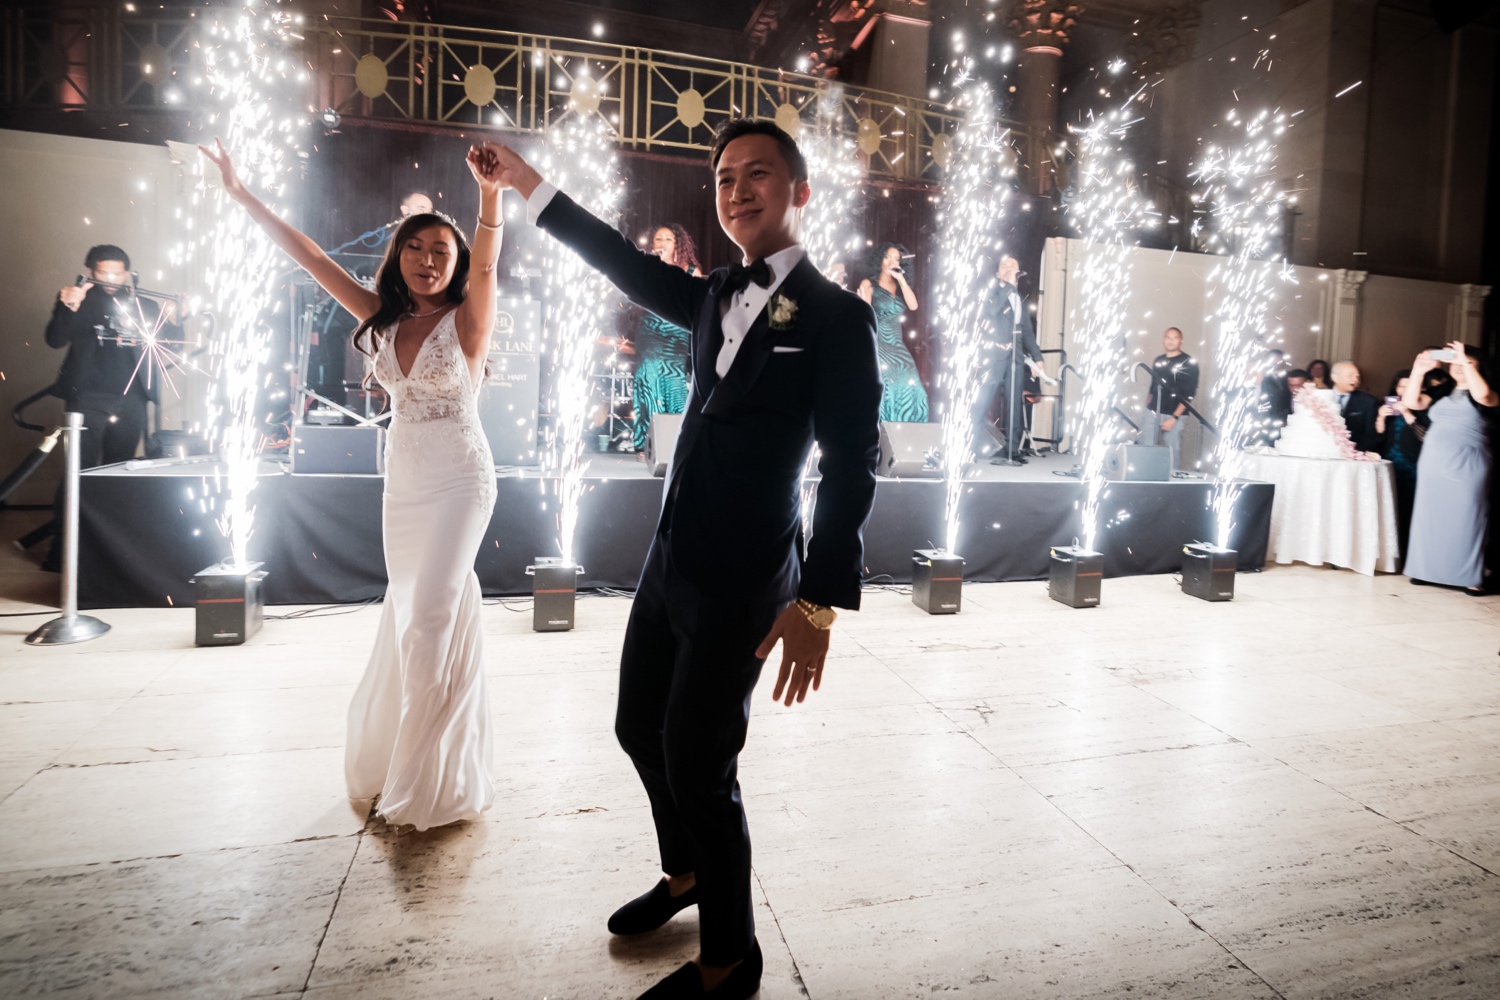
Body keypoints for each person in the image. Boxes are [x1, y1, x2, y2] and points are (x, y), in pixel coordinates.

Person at [490, 119, 882, 1000]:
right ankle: (687, 874)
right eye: (725, 178)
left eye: (758, 175)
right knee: (639, 728)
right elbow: (617, 258)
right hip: (670, 559)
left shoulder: (833, 317)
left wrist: (818, 603)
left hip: (746, 580)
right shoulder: (711, 294)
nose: (738, 190)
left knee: (702, 766)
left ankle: (729, 959)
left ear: (800, 191)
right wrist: (527, 182)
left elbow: (856, 463)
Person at [201, 138, 504, 829]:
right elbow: (310, 258)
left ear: (455, 265)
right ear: (398, 254)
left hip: (460, 480)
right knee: (411, 621)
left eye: (441, 252)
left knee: (430, 617)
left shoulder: (468, 321)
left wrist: (490, 200)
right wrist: (242, 195)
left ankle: (424, 785)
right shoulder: (380, 317)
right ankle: (422, 759)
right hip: (402, 486)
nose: (428, 260)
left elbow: (487, 257)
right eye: (416, 248)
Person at [41, 244, 175, 570]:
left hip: (132, 400)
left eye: (118, 273)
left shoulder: (146, 304)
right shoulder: (80, 299)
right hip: (87, 398)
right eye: (104, 273)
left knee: (120, 472)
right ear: (90, 272)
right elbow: (54, 340)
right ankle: (62, 552)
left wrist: (175, 320)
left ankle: (111, 553)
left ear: (128, 273)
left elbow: (170, 348)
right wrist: (67, 307)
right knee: (79, 473)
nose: (112, 278)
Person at [1404, 343, 1496, 593]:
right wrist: (1418, 370)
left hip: (1469, 464)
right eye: (1454, 362)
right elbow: (1411, 401)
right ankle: (1425, 570)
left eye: (1466, 363)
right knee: (1430, 517)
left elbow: (1483, 397)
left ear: (1478, 368)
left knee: (1467, 518)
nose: (1458, 366)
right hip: (1433, 462)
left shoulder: (1489, 392)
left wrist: (1465, 360)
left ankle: (1469, 576)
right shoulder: (1442, 391)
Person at [630, 224, 700, 452]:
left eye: (668, 239)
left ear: (677, 244)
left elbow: (696, 306)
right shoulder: (647, 269)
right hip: (651, 330)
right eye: (658, 239)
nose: (662, 242)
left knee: (674, 382)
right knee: (648, 378)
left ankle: (675, 445)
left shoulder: (691, 272)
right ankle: (645, 444)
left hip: (676, 333)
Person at [976, 254, 1045, 463]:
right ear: (997, 273)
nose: (1009, 267)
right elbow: (990, 311)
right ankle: (968, 444)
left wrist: (1037, 357)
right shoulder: (992, 291)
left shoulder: (1019, 298)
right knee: (982, 400)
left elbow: (1027, 331)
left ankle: (1012, 449)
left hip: (1015, 356)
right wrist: (1006, 285)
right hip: (993, 354)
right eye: (1004, 265)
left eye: (1013, 264)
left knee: (1014, 402)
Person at [858, 242, 927, 422]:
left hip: (897, 344)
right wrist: (863, 304)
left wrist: (902, 280)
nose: (891, 261)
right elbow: (862, 316)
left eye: (896, 258)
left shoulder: (900, 285)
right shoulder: (869, 283)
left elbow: (913, 306)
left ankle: (907, 431)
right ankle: (883, 430)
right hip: (878, 342)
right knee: (888, 382)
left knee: (913, 383)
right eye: (888, 256)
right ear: (881, 259)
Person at [1377, 369, 1429, 560]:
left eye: (1409, 386)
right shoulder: (1387, 406)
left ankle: (1410, 553)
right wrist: (1381, 417)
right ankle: (1390, 553)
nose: (1404, 389)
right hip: (1390, 462)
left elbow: (1425, 437)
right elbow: (1379, 436)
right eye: (1401, 385)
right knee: (1389, 506)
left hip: (1413, 464)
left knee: (1410, 508)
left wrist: (1407, 411)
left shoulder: (1424, 407)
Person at [1140, 326, 1198, 471]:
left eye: (1175, 338)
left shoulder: (1188, 362)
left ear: (1181, 341)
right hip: (1154, 411)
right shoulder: (1159, 360)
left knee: (1171, 451)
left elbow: (1189, 393)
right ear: (1164, 340)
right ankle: (1146, 480)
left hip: (1174, 414)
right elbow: (1153, 385)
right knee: (1146, 448)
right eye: (1168, 337)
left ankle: (1171, 484)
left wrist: (1174, 417)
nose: (1171, 341)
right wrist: (1148, 406)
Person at [1331, 360, 1381, 453]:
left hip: (1354, 456)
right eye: (1350, 376)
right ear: (1335, 377)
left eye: (1357, 377)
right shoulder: (1320, 397)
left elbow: (1370, 434)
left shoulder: (1368, 401)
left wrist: (1357, 453)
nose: (1355, 380)